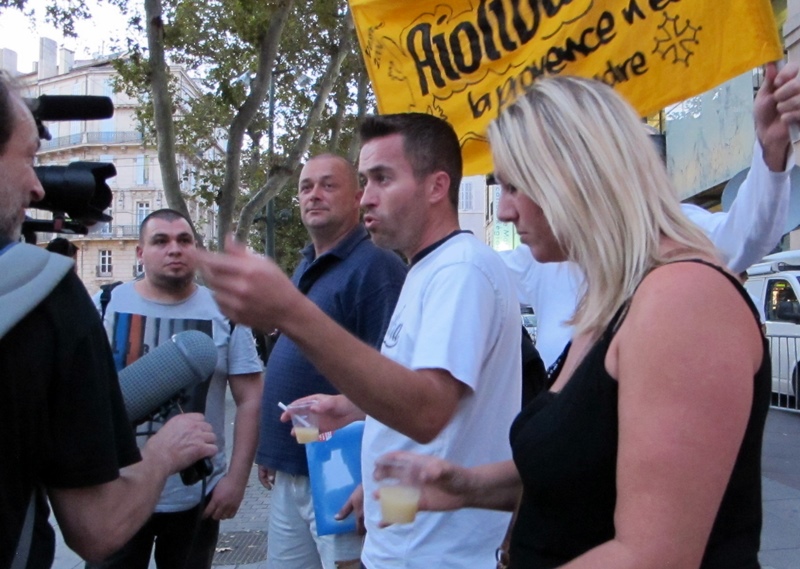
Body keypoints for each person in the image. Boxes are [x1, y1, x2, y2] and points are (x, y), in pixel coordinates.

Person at [383, 75, 779, 568]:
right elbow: (589, 469)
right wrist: (467, 486)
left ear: (573, 176)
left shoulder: (682, 299)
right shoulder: (610, 298)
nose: (504, 210)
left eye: (513, 185)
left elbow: (653, 555)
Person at [200, 113, 522, 568]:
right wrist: (351, 408)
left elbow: (427, 410)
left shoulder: (460, 271)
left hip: (435, 553)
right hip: (406, 537)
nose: (366, 197)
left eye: (382, 179)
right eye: (366, 180)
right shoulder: (427, 269)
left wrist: (291, 313)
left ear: (436, 187)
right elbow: (434, 388)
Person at [0, 72, 217, 569]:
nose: (37, 186)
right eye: (30, 156)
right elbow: (96, 529)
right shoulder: (49, 297)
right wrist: (164, 453)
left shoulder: (221, 313)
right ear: (140, 253)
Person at [503, 62, 800, 368]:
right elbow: (481, 279)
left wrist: (770, 146)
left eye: (514, 187)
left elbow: (746, 236)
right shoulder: (540, 257)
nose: (503, 212)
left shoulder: (673, 234)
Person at [86, 209, 264, 569]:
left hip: (197, 496)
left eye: (185, 241)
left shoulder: (225, 311)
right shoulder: (105, 306)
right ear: (140, 253)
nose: (175, 249)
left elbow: (251, 399)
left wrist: (236, 480)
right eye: (160, 241)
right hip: (118, 491)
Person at [257, 154, 406, 569]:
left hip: (342, 466)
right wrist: (270, 448)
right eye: (306, 187)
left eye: (328, 185)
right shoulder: (308, 264)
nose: (314, 195)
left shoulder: (377, 266)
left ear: (358, 197)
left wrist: (371, 476)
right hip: (293, 467)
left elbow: (394, 377)